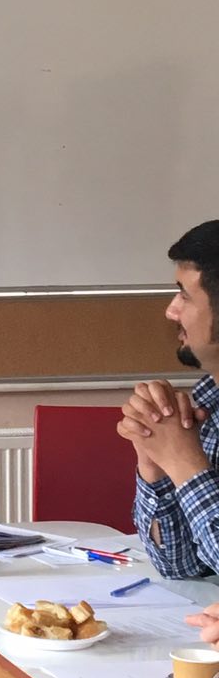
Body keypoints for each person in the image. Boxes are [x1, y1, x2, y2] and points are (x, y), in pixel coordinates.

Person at [118, 221, 219, 610]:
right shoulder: (210, 401)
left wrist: (185, 464)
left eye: (185, 296)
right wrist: (154, 463)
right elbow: (182, 566)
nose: (171, 310)